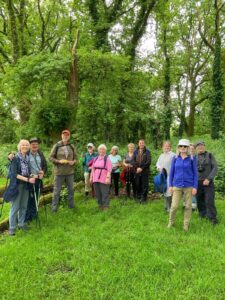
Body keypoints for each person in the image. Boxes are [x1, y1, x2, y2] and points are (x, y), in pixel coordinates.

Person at [168, 139, 198, 231]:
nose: (183, 148)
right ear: (178, 147)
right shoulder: (175, 158)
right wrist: (170, 185)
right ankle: (170, 223)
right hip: (177, 185)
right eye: (181, 146)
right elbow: (171, 172)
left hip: (189, 186)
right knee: (174, 206)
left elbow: (195, 174)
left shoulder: (192, 159)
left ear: (188, 148)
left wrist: (195, 187)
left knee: (188, 206)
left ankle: (186, 225)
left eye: (185, 146)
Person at [8, 140, 35, 236]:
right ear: (19, 146)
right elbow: (15, 174)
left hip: (26, 185)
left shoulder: (27, 158)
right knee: (15, 207)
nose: (25, 146)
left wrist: (32, 175)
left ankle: (21, 224)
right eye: (23, 145)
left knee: (23, 206)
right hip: (17, 185)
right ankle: (12, 228)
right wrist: (28, 179)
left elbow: (27, 172)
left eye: (26, 145)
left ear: (28, 147)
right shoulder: (15, 158)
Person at [49, 129, 77, 212]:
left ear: (69, 136)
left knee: (71, 190)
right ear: (61, 136)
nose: (65, 136)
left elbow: (76, 158)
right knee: (56, 191)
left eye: (67, 135)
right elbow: (50, 157)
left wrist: (74, 161)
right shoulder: (57, 146)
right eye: (64, 135)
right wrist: (58, 161)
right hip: (59, 172)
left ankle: (71, 206)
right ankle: (54, 209)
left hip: (70, 172)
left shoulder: (72, 146)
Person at [25, 137, 48, 223]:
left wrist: (43, 172)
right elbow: (22, 166)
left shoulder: (40, 154)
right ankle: (27, 217)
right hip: (29, 180)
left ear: (38, 145)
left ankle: (34, 215)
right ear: (30, 145)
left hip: (38, 180)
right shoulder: (26, 154)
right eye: (33, 144)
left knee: (36, 198)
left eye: (36, 144)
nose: (35, 146)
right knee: (29, 198)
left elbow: (45, 166)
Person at [196, 141, 218, 225]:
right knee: (199, 200)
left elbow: (215, 168)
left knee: (209, 200)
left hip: (208, 182)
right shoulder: (194, 157)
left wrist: (209, 179)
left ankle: (212, 218)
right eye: (198, 146)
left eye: (202, 145)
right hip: (198, 182)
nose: (200, 147)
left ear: (204, 146)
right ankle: (202, 214)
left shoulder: (210, 155)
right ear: (196, 148)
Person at [90, 144, 112, 210]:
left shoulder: (107, 159)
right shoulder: (96, 158)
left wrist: (107, 178)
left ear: (105, 150)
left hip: (104, 178)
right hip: (96, 178)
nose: (101, 150)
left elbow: (109, 169)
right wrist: (91, 177)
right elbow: (93, 168)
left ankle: (106, 206)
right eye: (100, 149)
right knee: (97, 193)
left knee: (104, 192)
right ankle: (100, 205)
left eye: (103, 149)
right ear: (98, 150)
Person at [156, 141, 175, 213]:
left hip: (170, 177)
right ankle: (166, 206)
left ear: (170, 147)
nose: (166, 147)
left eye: (168, 146)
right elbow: (158, 163)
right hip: (163, 176)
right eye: (165, 146)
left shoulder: (173, 155)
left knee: (169, 192)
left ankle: (170, 208)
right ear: (163, 147)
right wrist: (159, 167)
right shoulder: (161, 155)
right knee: (164, 191)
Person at [134, 139, 151, 203]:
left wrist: (141, 168)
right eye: (140, 143)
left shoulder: (147, 152)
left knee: (144, 184)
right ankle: (138, 197)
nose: (141, 144)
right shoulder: (135, 151)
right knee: (137, 184)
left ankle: (144, 198)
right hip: (137, 170)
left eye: (142, 143)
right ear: (138, 144)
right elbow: (133, 160)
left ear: (144, 144)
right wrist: (137, 168)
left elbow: (148, 161)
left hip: (145, 171)